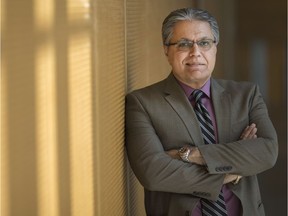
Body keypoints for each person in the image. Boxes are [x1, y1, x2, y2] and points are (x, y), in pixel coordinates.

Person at [125, 8, 278, 216]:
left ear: (215, 48)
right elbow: (153, 172)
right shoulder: (143, 103)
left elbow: (267, 152)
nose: (195, 53)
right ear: (166, 50)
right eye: (184, 44)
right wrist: (233, 169)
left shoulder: (246, 95)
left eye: (204, 43)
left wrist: (190, 155)